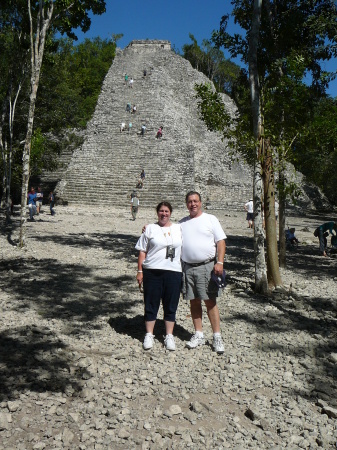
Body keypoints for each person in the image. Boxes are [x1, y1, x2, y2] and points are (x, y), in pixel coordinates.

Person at [180, 191, 226, 354]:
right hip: (187, 267)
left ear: (201, 203)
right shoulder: (182, 223)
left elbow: (220, 241)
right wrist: (149, 228)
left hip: (207, 266)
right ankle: (198, 333)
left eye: (195, 201)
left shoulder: (210, 219)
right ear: (186, 204)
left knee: (210, 300)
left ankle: (217, 336)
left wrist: (219, 262)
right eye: (190, 202)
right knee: (193, 300)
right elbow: (167, 233)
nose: (193, 204)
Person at [135, 202, 182, 351]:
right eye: (161, 211)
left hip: (173, 271)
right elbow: (142, 251)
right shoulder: (150, 229)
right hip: (152, 271)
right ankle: (149, 334)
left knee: (171, 304)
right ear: (157, 213)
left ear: (171, 213)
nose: (164, 214)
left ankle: (169, 335)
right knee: (151, 303)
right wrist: (140, 271)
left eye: (167, 211)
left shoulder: (179, 228)